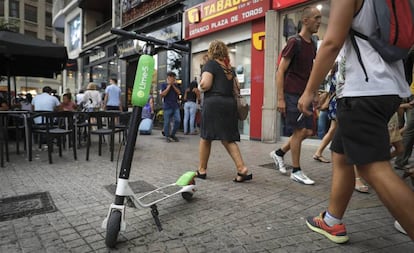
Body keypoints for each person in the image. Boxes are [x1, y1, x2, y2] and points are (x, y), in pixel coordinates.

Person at [297, 0, 414, 243]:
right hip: (388, 88)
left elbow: (331, 43)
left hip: (363, 91)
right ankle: (332, 221)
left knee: (372, 167)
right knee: (341, 152)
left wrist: (309, 90)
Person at [269, 6, 321, 185]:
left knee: (307, 131)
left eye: (320, 18)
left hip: (304, 95)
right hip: (291, 94)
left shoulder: (312, 44)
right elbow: (280, 70)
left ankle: (279, 153)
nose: (319, 21)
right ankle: (296, 171)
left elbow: (310, 71)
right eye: (316, 18)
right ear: (305, 20)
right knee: (299, 131)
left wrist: (313, 93)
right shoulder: (294, 42)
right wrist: (280, 98)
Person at [196, 40, 252, 183]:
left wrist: (200, 85)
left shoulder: (211, 64)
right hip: (229, 104)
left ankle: (202, 170)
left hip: (214, 104)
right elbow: (237, 87)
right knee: (228, 139)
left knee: (206, 137)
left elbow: (206, 84)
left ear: (211, 51)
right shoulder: (229, 68)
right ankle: (242, 168)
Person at [160, 71, 181, 142]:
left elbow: (179, 92)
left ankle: (173, 134)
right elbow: (163, 94)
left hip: (175, 106)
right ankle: (167, 136)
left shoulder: (176, 85)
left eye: (174, 78)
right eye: (172, 78)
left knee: (178, 120)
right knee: (167, 122)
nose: (173, 79)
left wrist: (173, 86)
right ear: (168, 78)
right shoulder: (163, 85)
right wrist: (169, 86)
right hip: (167, 106)